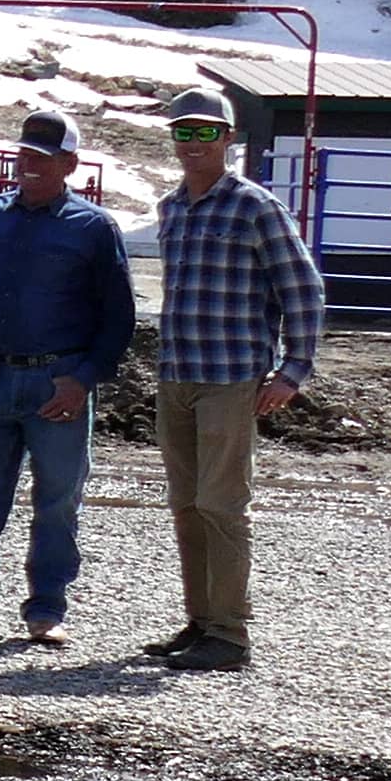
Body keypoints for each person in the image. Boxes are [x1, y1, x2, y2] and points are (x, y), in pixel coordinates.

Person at [0, 110, 137, 647]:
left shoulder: (95, 228)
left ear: (70, 164)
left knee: (57, 500)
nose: (29, 164)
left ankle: (46, 610)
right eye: (25, 154)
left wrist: (82, 379)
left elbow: (119, 318)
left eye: (43, 157)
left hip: (60, 382)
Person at [145, 85, 324, 672]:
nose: (192, 142)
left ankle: (230, 633)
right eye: (183, 131)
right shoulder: (171, 208)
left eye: (204, 132)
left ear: (227, 138)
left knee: (223, 505)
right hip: (177, 375)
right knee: (186, 505)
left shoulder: (255, 207)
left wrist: (292, 371)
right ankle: (199, 621)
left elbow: (303, 289)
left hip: (230, 378)